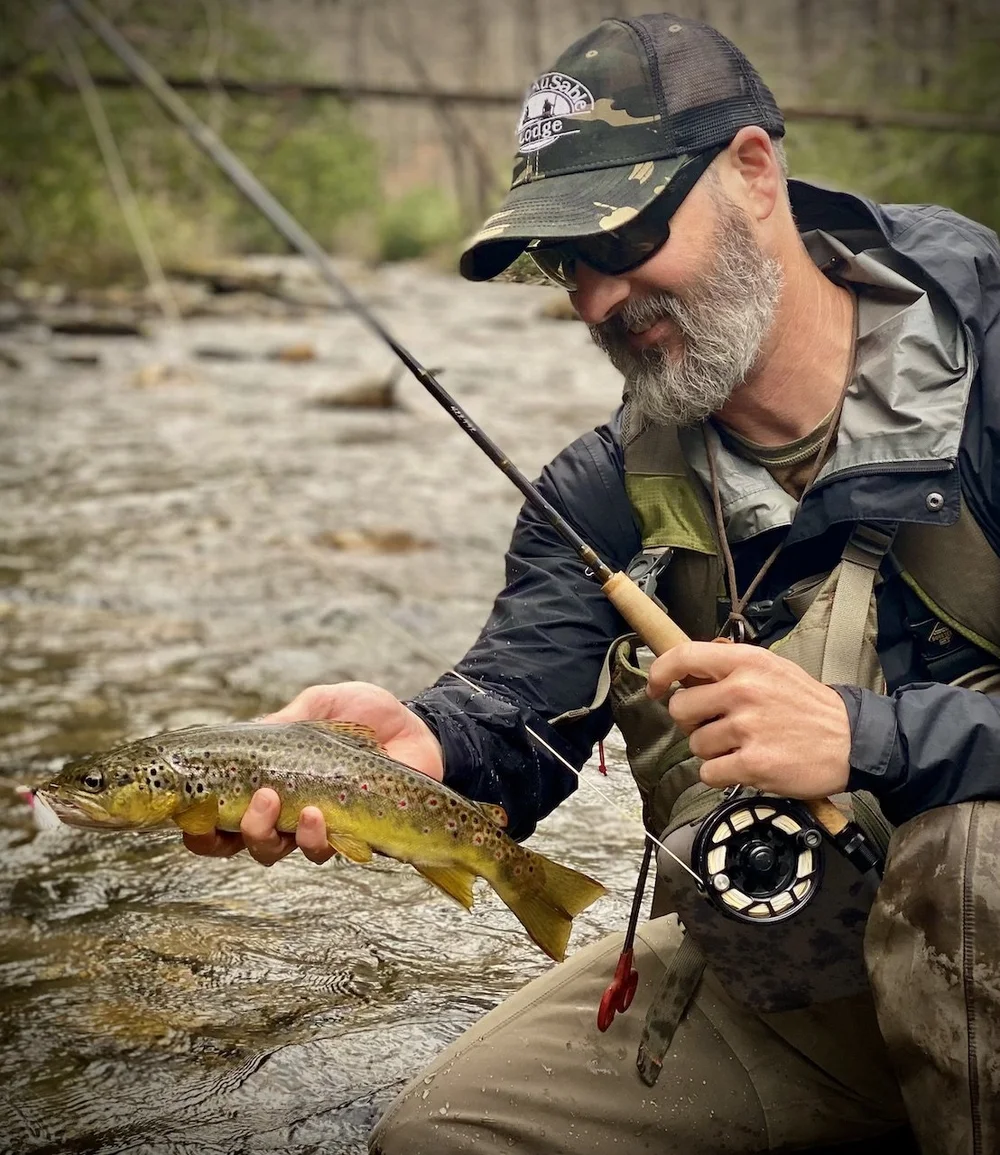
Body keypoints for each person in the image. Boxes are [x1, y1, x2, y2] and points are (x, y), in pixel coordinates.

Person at [186, 13, 1000, 1155]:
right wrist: (424, 744)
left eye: (619, 236)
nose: (596, 300)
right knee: (443, 1136)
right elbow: (521, 706)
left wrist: (871, 739)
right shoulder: (603, 488)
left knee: (972, 864)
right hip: (788, 981)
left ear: (753, 172)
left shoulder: (987, 378)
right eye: (566, 263)